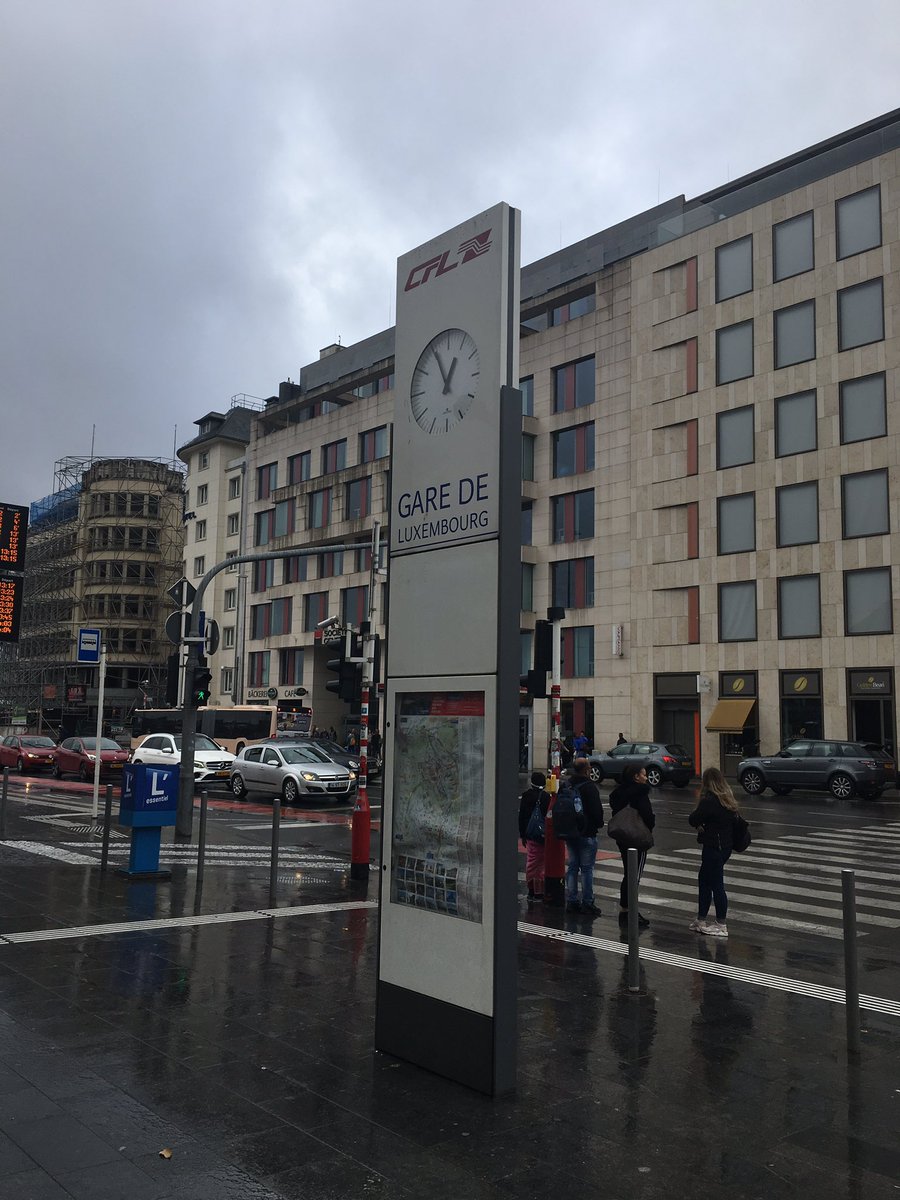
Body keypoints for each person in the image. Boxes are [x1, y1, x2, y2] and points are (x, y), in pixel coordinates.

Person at [688, 766, 741, 938]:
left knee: (716, 884)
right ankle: (701, 919)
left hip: (713, 847)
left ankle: (721, 924)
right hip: (725, 847)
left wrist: (701, 825)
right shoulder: (727, 799)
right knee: (705, 880)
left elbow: (693, 819)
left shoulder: (709, 800)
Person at [609, 762, 655, 927]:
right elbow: (648, 816)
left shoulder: (618, 793)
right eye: (643, 774)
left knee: (628, 873)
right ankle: (631, 912)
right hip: (637, 838)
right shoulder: (640, 793)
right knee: (634, 876)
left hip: (622, 837)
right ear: (636, 777)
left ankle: (625, 909)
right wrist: (650, 826)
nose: (646, 777)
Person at [564, 757, 604, 916]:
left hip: (570, 831)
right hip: (587, 832)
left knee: (573, 866)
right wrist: (598, 824)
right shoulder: (589, 787)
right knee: (587, 869)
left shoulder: (566, 785)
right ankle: (588, 902)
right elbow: (596, 812)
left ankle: (572, 901)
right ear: (587, 769)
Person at [518, 771, 551, 904]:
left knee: (531, 863)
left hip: (530, 834)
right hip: (543, 835)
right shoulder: (546, 797)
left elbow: (522, 817)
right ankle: (540, 891)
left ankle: (531, 891)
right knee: (542, 865)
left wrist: (523, 835)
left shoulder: (526, 796)